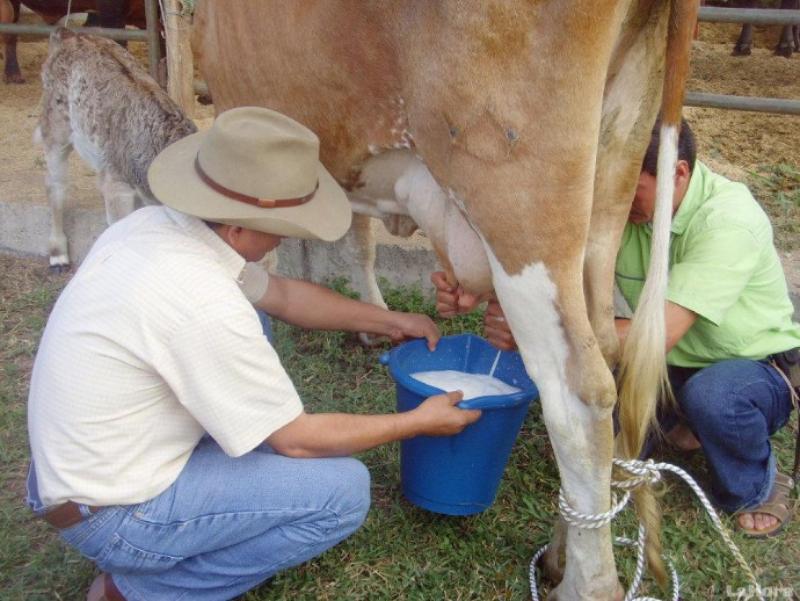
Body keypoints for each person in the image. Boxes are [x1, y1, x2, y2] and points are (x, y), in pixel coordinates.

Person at [26, 107, 481, 601]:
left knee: (259, 314)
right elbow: (299, 441)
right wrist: (417, 421)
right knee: (341, 492)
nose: (288, 235)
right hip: (115, 514)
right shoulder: (202, 301)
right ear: (239, 229)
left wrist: (391, 320)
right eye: (282, 224)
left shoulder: (156, 226)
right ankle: (135, 590)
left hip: (84, 471)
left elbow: (283, 295)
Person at [432, 119, 799, 538]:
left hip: (751, 369)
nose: (615, 204)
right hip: (670, 364)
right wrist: (481, 290)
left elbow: (657, 334)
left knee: (714, 397)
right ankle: (683, 419)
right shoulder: (628, 211)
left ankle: (758, 488)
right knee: (604, 435)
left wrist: (540, 333)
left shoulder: (729, 220)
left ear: (678, 174)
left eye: (629, 190)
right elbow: (559, 279)